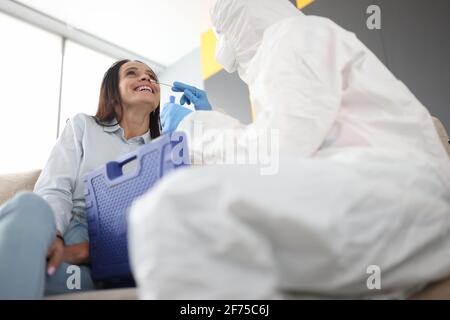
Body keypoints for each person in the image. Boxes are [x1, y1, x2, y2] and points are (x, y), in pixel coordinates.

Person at [128, 0, 450, 299]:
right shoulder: (294, 43)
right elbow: (286, 148)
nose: (224, 55)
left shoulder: (293, 36)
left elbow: (276, 155)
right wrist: (211, 119)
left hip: (402, 196)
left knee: (172, 213)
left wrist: (194, 127)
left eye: (223, 32)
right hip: (393, 195)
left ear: (244, 15)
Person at [0, 59, 161, 299]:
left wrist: (91, 250)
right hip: (65, 231)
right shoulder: (82, 126)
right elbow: (55, 187)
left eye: (151, 76)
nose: (147, 78)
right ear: (112, 90)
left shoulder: (164, 150)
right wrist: (53, 235)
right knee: (28, 205)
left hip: (119, 252)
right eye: (132, 73)